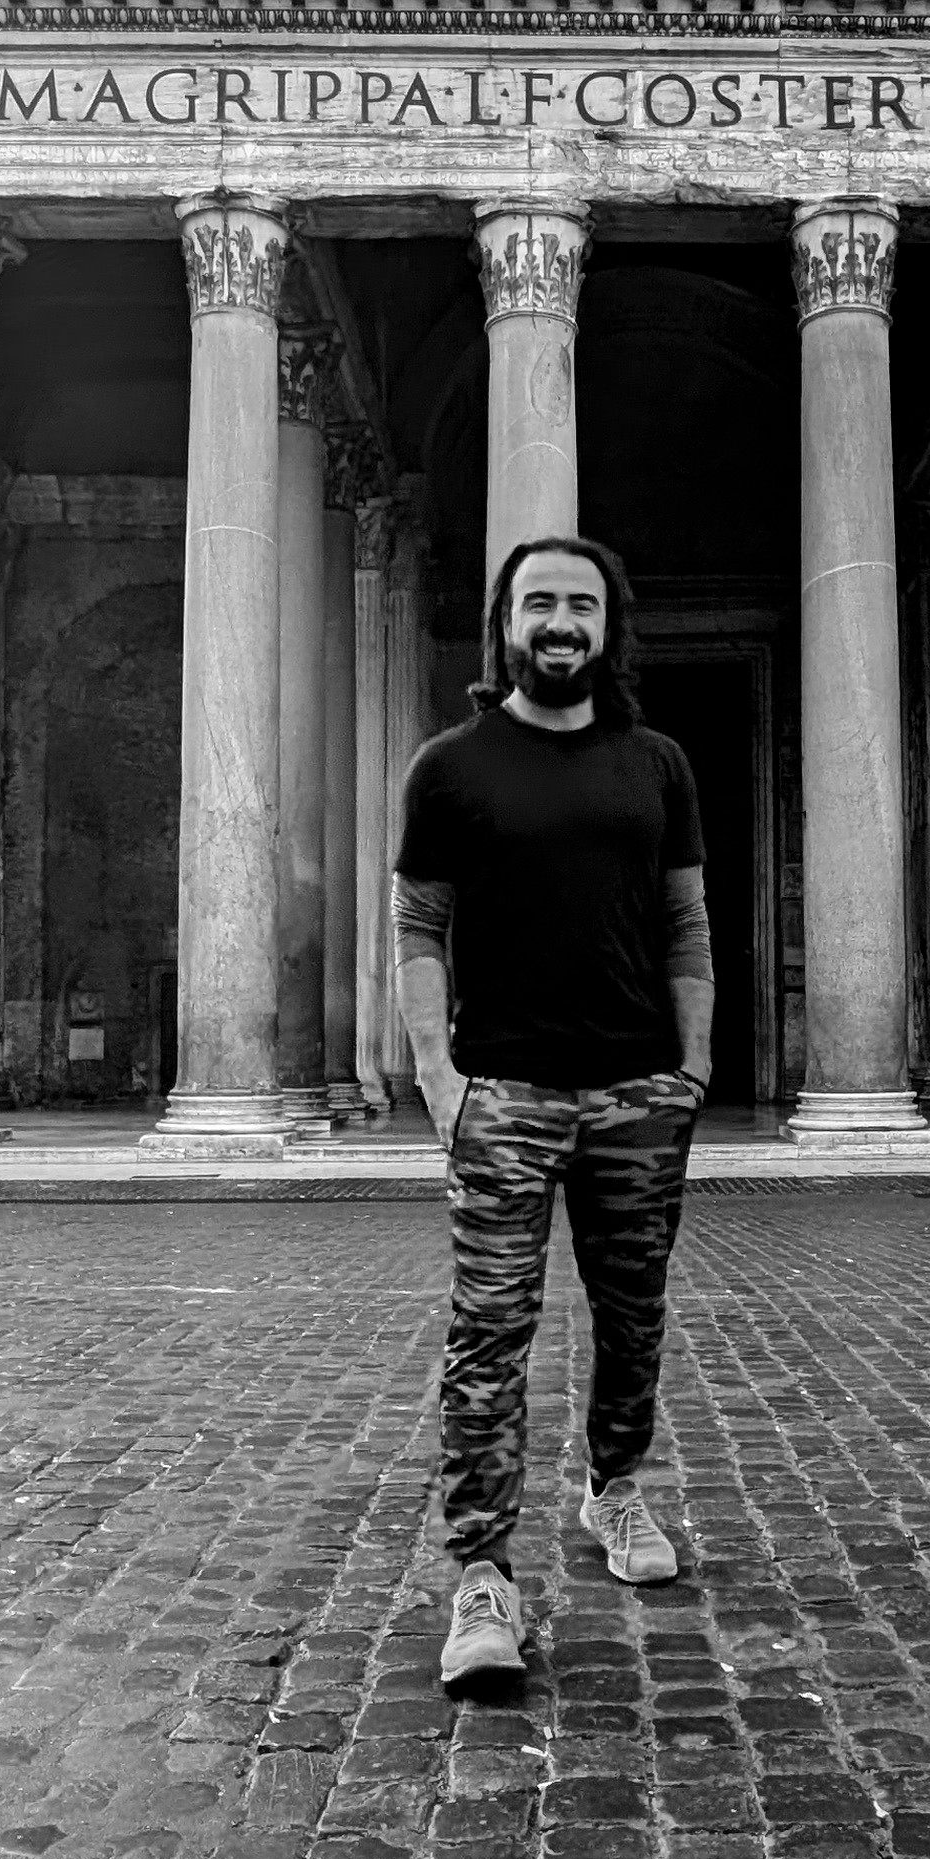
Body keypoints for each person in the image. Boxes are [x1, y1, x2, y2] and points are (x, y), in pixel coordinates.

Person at [392, 532, 714, 1690]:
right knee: (488, 1334)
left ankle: (614, 1491)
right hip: (506, 1089)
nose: (561, 622)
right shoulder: (450, 767)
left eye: (582, 603)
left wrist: (692, 1069)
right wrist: (439, 1079)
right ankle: (482, 1575)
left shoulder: (658, 765)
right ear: (507, 625)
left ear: (608, 625)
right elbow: (419, 927)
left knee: (633, 1321)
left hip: (638, 1091)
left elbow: (684, 922)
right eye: (539, 603)